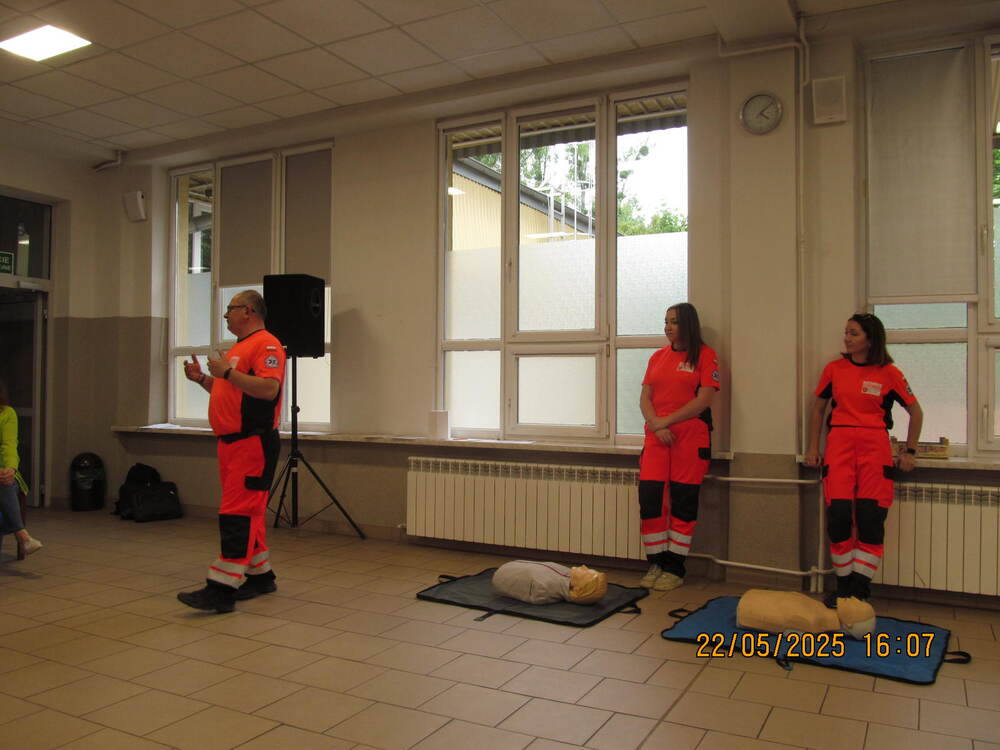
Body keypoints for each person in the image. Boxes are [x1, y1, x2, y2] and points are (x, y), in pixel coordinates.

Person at [177, 290, 286, 613]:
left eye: (231, 308)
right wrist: (202, 379)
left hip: (252, 443)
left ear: (249, 311)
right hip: (232, 444)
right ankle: (261, 576)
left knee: (236, 514)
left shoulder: (267, 344)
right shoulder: (239, 348)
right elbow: (232, 390)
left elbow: (269, 389)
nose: (226, 315)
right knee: (248, 511)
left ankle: (221, 589)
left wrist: (226, 372)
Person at [804, 313, 923, 606]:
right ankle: (843, 586)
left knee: (870, 518)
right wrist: (812, 448)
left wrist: (910, 451)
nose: (847, 338)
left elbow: (916, 412)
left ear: (870, 339)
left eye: (853, 333)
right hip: (839, 448)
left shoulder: (889, 373)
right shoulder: (834, 369)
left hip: (875, 449)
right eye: (846, 332)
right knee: (839, 516)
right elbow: (818, 409)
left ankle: (859, 589)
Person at [638, 302, 720, 592]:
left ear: (688, 324)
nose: (668, 327)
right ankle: (656, 563)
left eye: (673, 321)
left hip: (689, 438)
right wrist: (656, 424)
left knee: (683, 502)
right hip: (657, 438)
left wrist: (666, 422)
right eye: (666, 321)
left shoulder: (706, 355)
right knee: (651, 500)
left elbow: (703, 400)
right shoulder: (657, 357)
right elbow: (645, 397)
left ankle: (675, 567)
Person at [0, 378, 42, 559]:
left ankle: (21, 535)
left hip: (3, 470)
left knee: (6, 481)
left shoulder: (7, 413)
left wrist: (10, 468)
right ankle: (21, 534)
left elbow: (9, 445)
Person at [492, 561, 608, 605]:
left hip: (502, 574)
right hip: (509, 567)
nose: (583, 567)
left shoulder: (545, 588)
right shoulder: (566, 574)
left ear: (578, 589)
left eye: (585, 573)